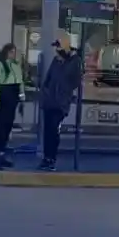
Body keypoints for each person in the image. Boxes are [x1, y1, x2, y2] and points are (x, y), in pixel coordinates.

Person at [37, 37, 83, 172]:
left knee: (53, 130)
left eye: (59, 47)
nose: (57, 50)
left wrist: (64, 92)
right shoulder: (56, 61)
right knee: (47, 131)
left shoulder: (75, 62)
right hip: (49, 101)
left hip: (61, 103)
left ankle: (51, 159)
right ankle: (46, 158)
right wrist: (45, 92)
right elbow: (48, 78)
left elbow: (74, 81)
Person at [0, 43, 25, 170]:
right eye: (13, 52)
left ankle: (1, 154)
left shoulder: (16, 67)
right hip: (1, 101)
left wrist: (22, 99)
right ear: (7, 53)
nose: (15, 54)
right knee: (0, 128)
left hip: (11, 101)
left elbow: (20, 83)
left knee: (7, 128)